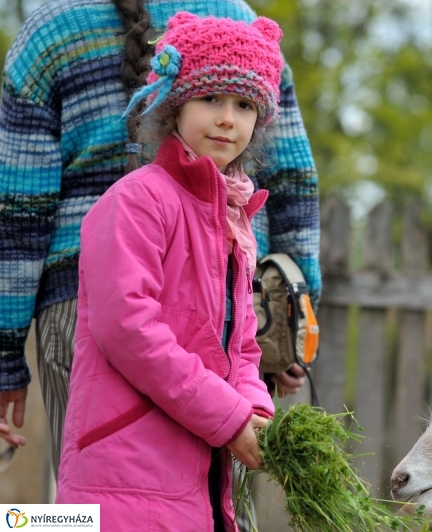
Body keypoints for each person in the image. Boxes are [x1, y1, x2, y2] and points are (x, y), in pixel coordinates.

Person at [0, 0, 320, 473]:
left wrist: (6, 356)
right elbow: (294, 180)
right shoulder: (242, 20)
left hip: (89, 314)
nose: (227, 118)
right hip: (216, 315)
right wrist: (295, 316)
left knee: (99, 503)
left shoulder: (52, 26)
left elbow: (18, 211)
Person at [53, 12, 287, 530]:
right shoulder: (135, 202)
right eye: (211, 100)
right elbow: (128, 328)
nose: (228, 119)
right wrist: (228, 419)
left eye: (245, 105)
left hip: (198, 481)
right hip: (124, 479)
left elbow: (242, 346)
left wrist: (254, 411)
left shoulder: (233, 221)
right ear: (175, 104)